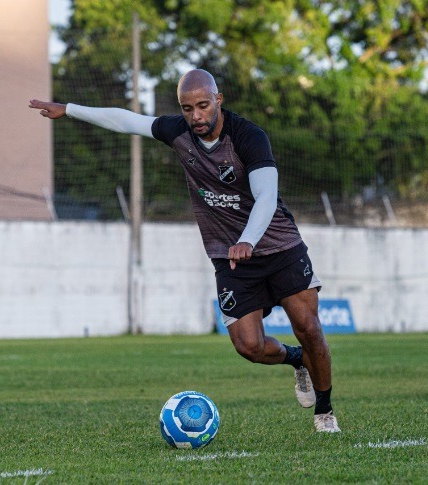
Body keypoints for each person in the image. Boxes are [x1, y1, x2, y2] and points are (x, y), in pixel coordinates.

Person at [29, 69, 340, 432]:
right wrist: (68, 109)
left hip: (279, 247)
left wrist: (248, 240)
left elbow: (267, 197)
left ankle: (325, 410)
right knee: (249, 347)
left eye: (203, 106)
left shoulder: (249, 137)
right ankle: (296, 360)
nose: (196, 116)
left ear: (218, 100)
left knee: (309, 327)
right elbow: (127, 120)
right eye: (188, 108)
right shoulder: (179, 132)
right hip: (230, 258)